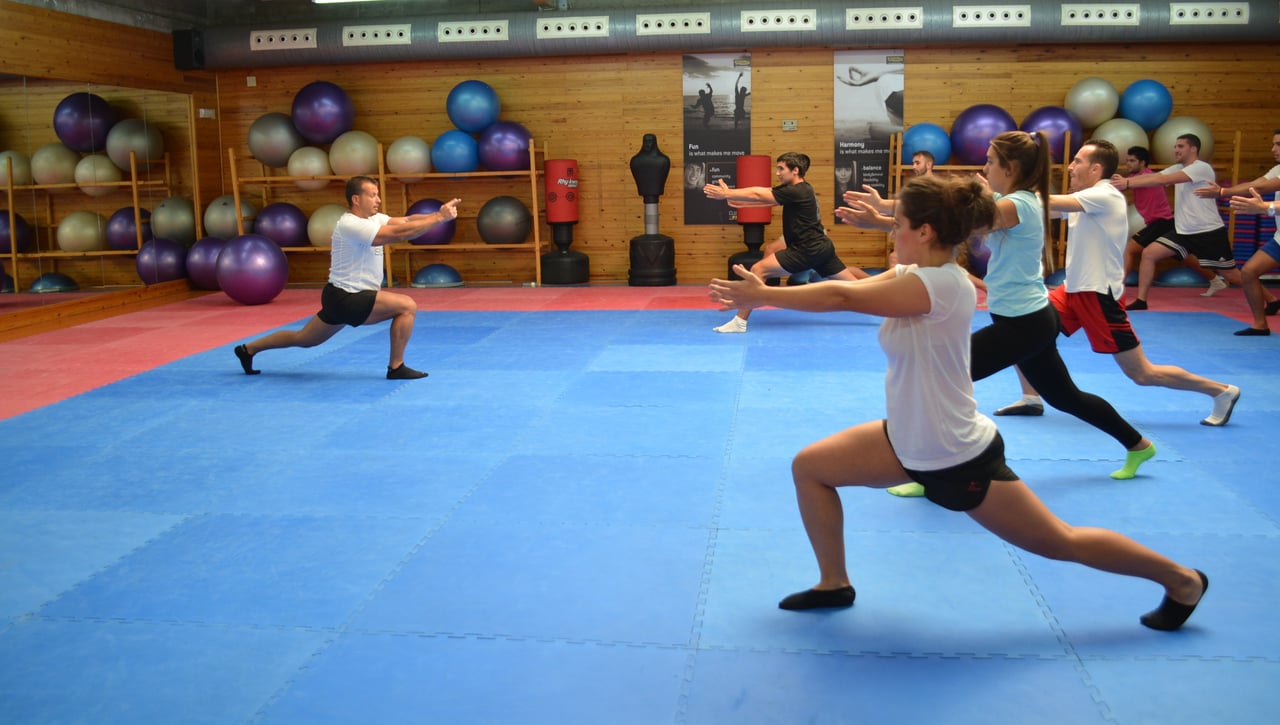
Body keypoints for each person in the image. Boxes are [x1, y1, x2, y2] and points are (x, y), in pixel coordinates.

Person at [707, 174, 1208, 631]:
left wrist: (764, 294)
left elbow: (842, 299)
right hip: (906, 439)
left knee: (1059, 542)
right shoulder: (917, 274)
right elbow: (853, 286)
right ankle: (833, 582)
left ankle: (1181, 580)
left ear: (925, 231)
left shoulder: (939, 285)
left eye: (898, 224)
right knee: (810, 468)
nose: (892, 232)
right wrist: (874, 217)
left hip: (953, 452)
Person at [842, 131, 1156, 489]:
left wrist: (884, 211)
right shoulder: (1011, 200)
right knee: (1065, 396)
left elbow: (949, 225)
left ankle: (932, 472)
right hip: (1030, 319)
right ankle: (1139, 444)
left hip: (1024, 325)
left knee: (937, 381)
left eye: (990, 160)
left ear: (1011, 167)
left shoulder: (1018, 205)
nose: (985, 166)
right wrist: (884, 217)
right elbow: (946, 227)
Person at [992, 140, 1242, 425]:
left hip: (1099, 296)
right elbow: (1039, 209)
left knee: (1142, 374)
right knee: (1023, 331)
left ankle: (1221, 391)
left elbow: (1043, 202)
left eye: (1077, 161)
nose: (1071, 167)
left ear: (1096, 168)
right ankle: (1031, 398)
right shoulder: (1084, 198)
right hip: (1072, 291)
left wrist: (1005, 183)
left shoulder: (1105, 195)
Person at [234, 175, 460, 379]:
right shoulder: (349, 224)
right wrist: (439, 219)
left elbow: (407, 222)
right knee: (406, 306)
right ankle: (396, 366)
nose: (378, 200)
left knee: (304, 339)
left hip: (339, 296)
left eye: (378, 195)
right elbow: (395, 234)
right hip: (348, 297)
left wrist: (436, 214)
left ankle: (248, 349)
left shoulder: (375, 219)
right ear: (356, 199)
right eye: (372, 195)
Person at [704, 152, 869, 333]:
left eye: (781, 169)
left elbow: (760, 194)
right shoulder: (801, 190)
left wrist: (728, 193)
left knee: (759, 269)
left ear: (795, 170)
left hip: (806, 249)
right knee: (856, 287)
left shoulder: (797, 190)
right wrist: (740, 203)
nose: (778, 173)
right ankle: (894, 304)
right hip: (822, 247)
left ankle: (739, 322)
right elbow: (767, 200)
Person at [1111, 133, 1242, 310]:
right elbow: (1154, 178)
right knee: (1149, 253)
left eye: (1180, 146)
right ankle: (1141, 300)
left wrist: (1127, 182)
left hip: (1207, 230)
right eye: (1175, 146)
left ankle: (1270, 299)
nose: (1175, 150)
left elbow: (1162, 179)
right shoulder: (1177, 168)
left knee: (1232, 275)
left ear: (1193, 149)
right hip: (1183, 231)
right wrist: (1124, 182)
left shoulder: (1201, 168)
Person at [1201, 129, 1280, 335]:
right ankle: (1260, 324)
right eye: (1273, 144)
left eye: (1279, 144)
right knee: (1248, 272)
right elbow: (1258, 185)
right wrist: (1222, 192)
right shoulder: (1277, 168)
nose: (1274, 149)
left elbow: (1267, 189)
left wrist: (1266, 207)